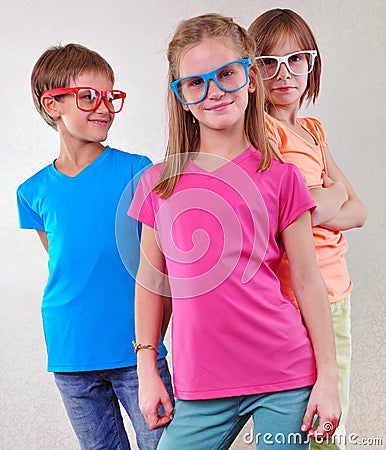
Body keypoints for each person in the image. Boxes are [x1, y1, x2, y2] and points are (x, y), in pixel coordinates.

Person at [128, 13, 341, 450]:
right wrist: (147, 372)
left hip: (284, 376)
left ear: (249, 78)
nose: (214, 92)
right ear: (181, 96)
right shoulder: (158, 183)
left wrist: (329, 380)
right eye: (195, 82)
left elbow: (307, 281)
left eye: (227, 74)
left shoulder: (283, 178)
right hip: (199, 386)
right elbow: (152, 285)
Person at [16, 43, 173, 450]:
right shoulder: (31, 192)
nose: (104, 107)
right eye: (89, 96)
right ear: (53, 104)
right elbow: (63, 263)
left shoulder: (140, 171)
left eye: (110, 96)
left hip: (136, 350)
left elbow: (161, 269)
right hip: (70, 352)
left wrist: (153, 339)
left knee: (164, 444)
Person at [248, 9, 367, 450]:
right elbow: (290, 214)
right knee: (310, 424)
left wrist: (322, 198)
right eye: (268, 62)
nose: (283, 74)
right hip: (298, 297)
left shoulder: (313, 130)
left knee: (331, 420)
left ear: (312, 64)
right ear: (251, 70)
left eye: (297, 59)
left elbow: (359, 212)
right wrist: (327, 194)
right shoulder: (261, 131)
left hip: (339, 291)